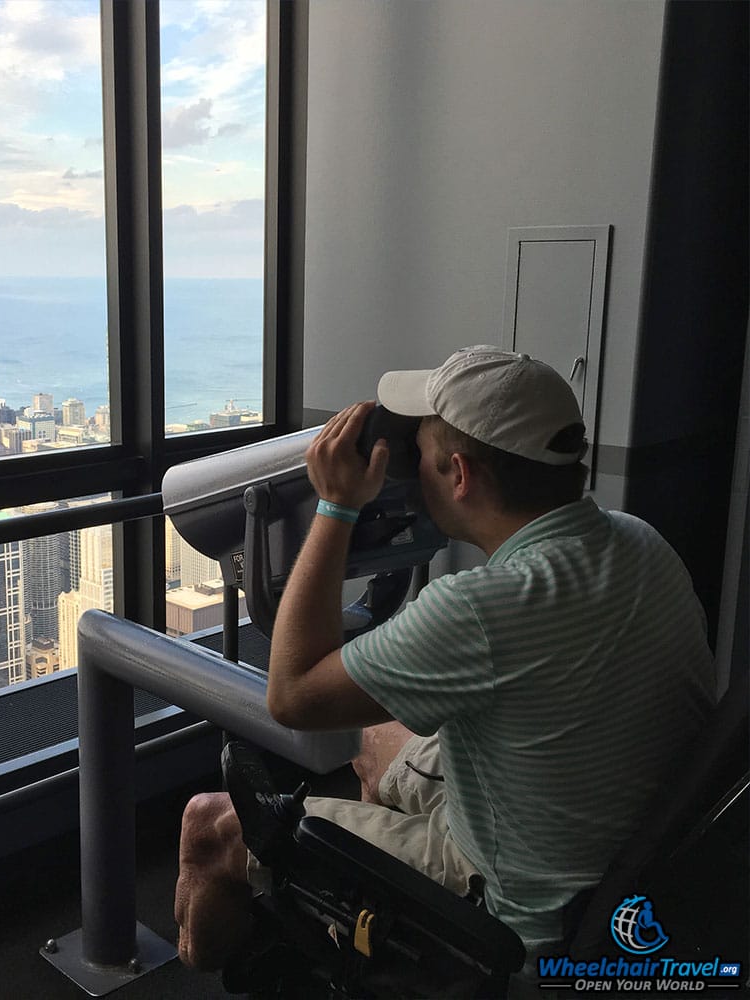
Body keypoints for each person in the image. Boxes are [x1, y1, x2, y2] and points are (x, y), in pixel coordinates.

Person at [174, 345, 715, 980]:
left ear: (459, 475)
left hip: (518, 920)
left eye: (421, 453)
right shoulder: (640, 540)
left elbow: (291, 694)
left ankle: (218, 963)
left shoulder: (480, 609)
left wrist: (336, 507)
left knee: (207, 825)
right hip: (627, 871)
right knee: (374, 735)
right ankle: (339, 910)